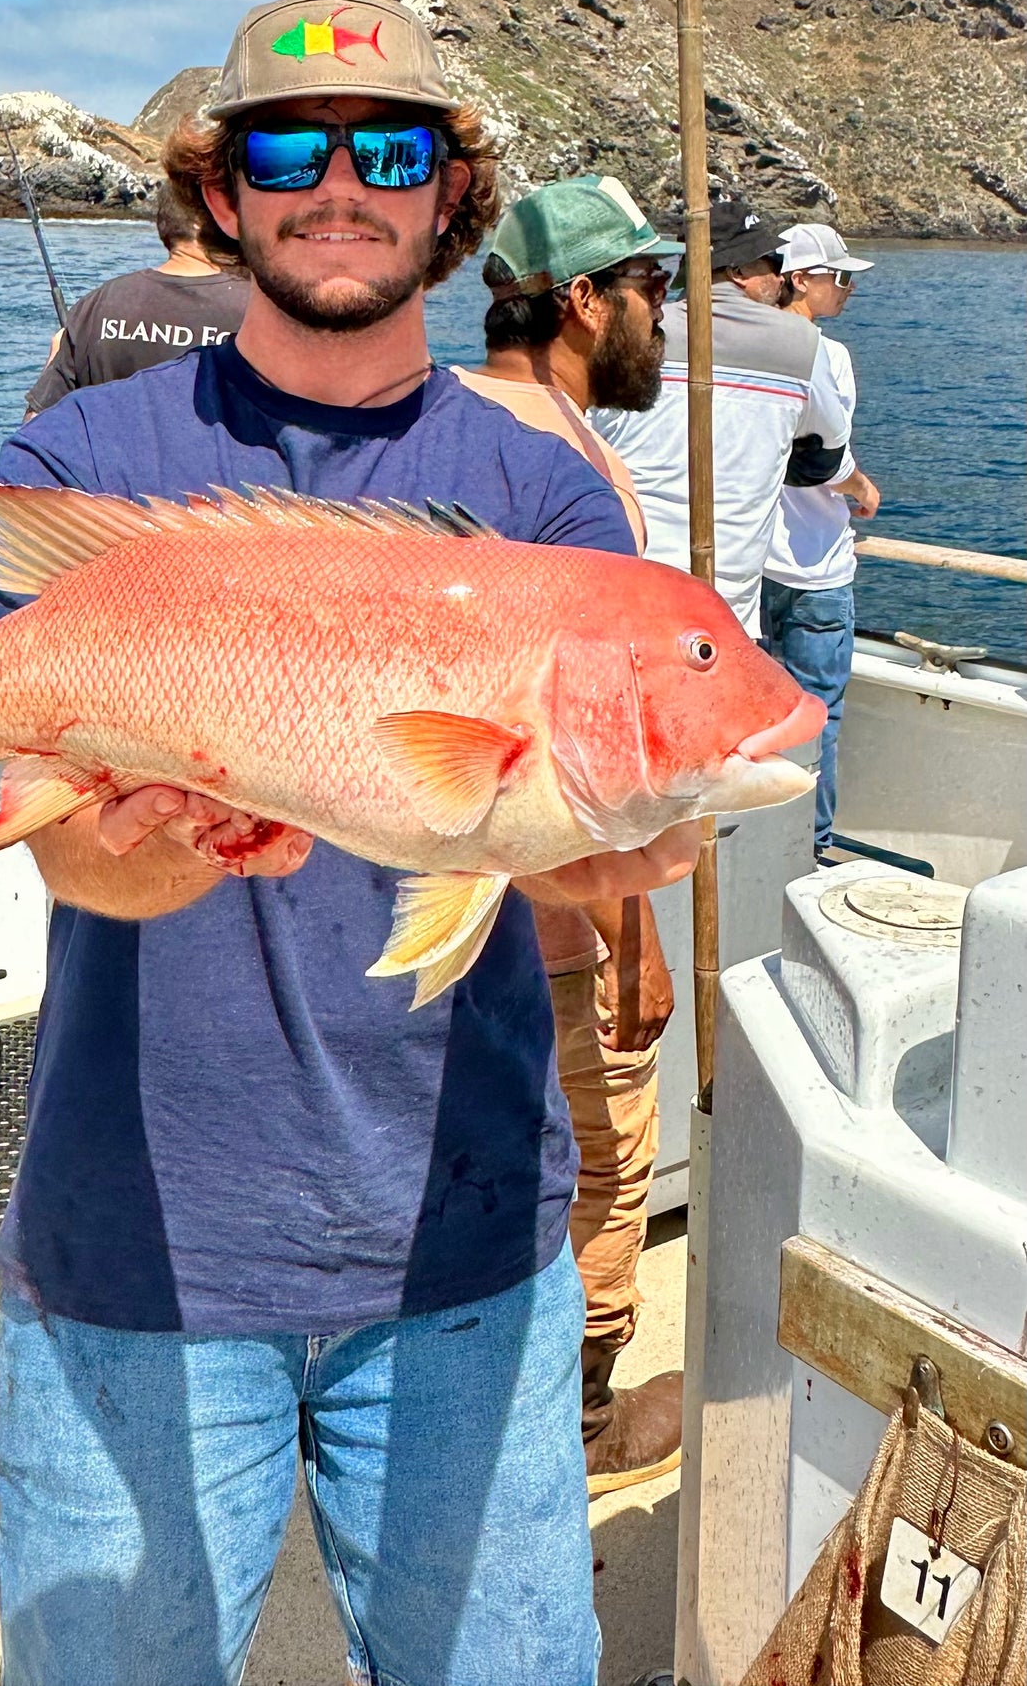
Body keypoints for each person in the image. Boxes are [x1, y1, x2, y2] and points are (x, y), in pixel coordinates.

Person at [0, 0, 703, 1686]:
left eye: (387, 152)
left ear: (451, 194)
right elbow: (66, 850)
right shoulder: (89, 454)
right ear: (221, 189)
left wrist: (609, 848)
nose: (336, 186)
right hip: (137, 1248)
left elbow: (544, 861)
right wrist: (165, 839)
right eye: (286, 150)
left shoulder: (542, 498)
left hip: (462, 1250)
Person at [458, 173, 687, 1495]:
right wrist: (630, 934)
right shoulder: (572, 473)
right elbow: (584, 735)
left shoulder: (435, 427)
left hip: (443, 899)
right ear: (585, 300)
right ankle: (584, 1427)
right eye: (652, 286)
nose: (665, 314)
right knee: (600, 1159)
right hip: (552, 916)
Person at [594, 195, 852, 638]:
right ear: (738, 272)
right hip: (725, 609)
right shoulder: (801, 345)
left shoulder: (631, 334)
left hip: (626, 582)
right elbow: (826, 453)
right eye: (770, 262)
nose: (779, 275)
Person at [761, 223, 879, 856]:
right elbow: (826, 457)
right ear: (801, 280)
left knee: (756, 714)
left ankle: (758, 843)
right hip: (815, 568)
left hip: (753, 566)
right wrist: (863, 489)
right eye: (840, 277)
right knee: (819, 713)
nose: (849, 289)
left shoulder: (738, 348)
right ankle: (811, 844)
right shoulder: (825, 356)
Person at [23, 185, 249, 416]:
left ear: (164, 226)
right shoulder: (255, 311)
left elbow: (35, 425)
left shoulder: (96, 306)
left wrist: (58, 357)